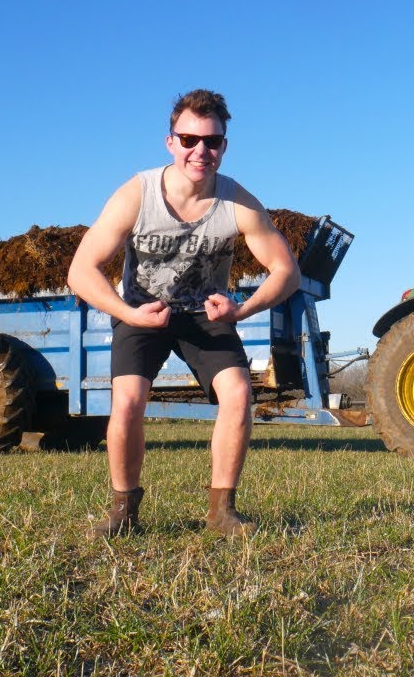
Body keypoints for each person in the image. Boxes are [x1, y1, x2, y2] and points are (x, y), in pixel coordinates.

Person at [68, 89, 300, 537]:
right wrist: (127, 314)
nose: (200, 151)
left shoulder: (238, 203)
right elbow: (81, 270)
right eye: (189, 139)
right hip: (141, 311)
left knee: (237, 395)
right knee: (129, 402)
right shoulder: (137, 193)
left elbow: (285, 271)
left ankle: (221, 514)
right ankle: (123, 511)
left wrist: (242, 309)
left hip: (205, 316)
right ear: (170, 141)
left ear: (224, 147)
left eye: (211, 142)